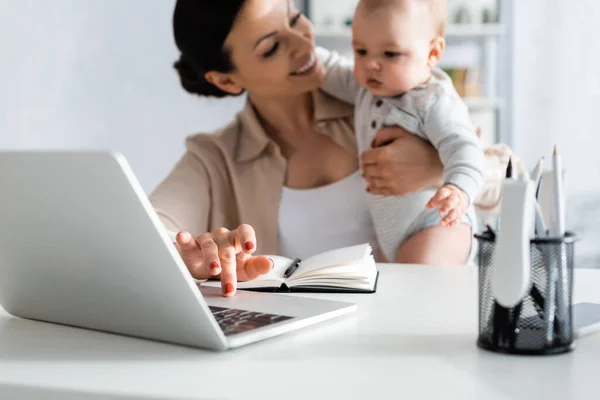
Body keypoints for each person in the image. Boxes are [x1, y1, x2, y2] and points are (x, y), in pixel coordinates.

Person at [150, 0, 500, 297]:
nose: (303, 43)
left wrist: (436, 168)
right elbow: (146, 233)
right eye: (272, 47)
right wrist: (194, 257)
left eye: (294, 17)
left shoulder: (382, 96)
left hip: (415, 325)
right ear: (226, 80)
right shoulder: (216, 159)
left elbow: (508, 177)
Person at [316, 0, 484, 264]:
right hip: (390, 234)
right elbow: (329, 68)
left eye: (390, 54)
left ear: (433, 53)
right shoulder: (365, 88)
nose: (371, 64)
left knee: (416, 289)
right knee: (393, 295)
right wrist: (302, 51)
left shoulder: (433, 101)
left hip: (437, 223)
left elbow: (466, 149)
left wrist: (458, 189)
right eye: (360, 51)